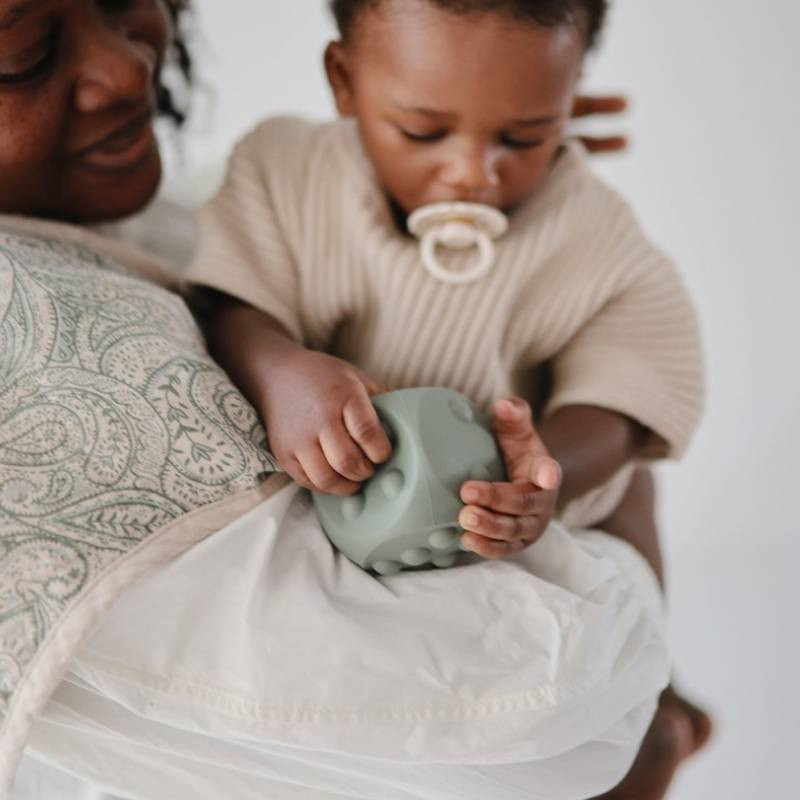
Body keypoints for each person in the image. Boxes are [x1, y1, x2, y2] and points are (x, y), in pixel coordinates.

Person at [0, 1, 706, 796]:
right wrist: (280, 369)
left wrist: (551, 466)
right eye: (24, 54)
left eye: (522, 136)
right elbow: (234, 299)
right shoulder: (287, 174)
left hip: (516, 515)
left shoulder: (588, 224)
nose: (473, 174)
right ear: (342, 78)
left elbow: (635, 377)